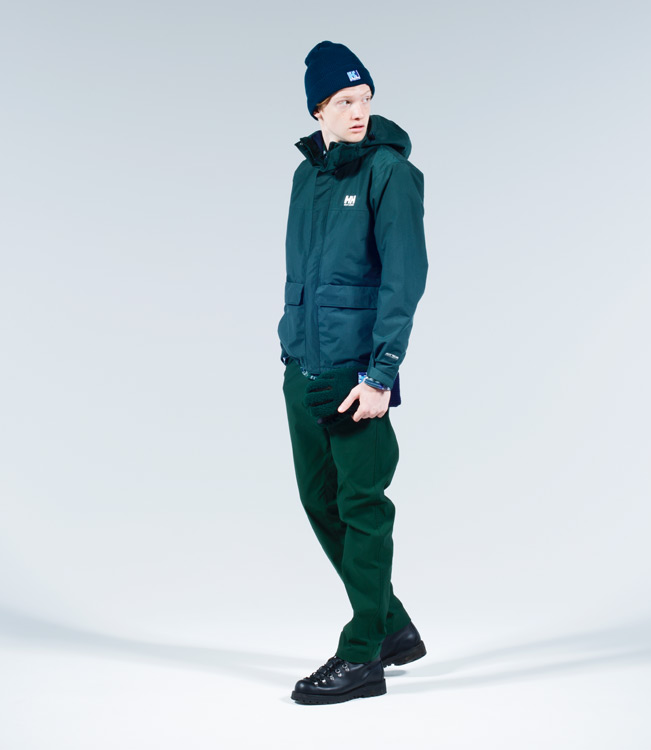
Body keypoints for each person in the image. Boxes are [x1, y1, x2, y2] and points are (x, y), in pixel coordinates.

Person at [278, 40, 429, 705]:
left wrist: (381, 373)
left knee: (362, 506)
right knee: (320, 501)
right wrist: (290, 346)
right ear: (319, 108)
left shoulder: (389, 173)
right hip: (304, 366)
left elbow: (404, 278)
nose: (358, 111)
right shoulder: (305, 176)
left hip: (357, 375)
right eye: (344, 101)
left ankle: (363, 652)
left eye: (365, 98)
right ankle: (392, 626)